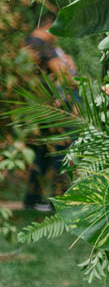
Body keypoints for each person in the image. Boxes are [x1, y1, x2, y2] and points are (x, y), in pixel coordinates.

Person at [22, 17, 76, 213]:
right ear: (50, 26)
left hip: (39, 108)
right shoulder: (44, 47)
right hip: (53, 109)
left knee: (42, 153)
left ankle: (32, 199)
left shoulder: (30, 45)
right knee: (60, 152)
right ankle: (58, 200)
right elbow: (66, 76)